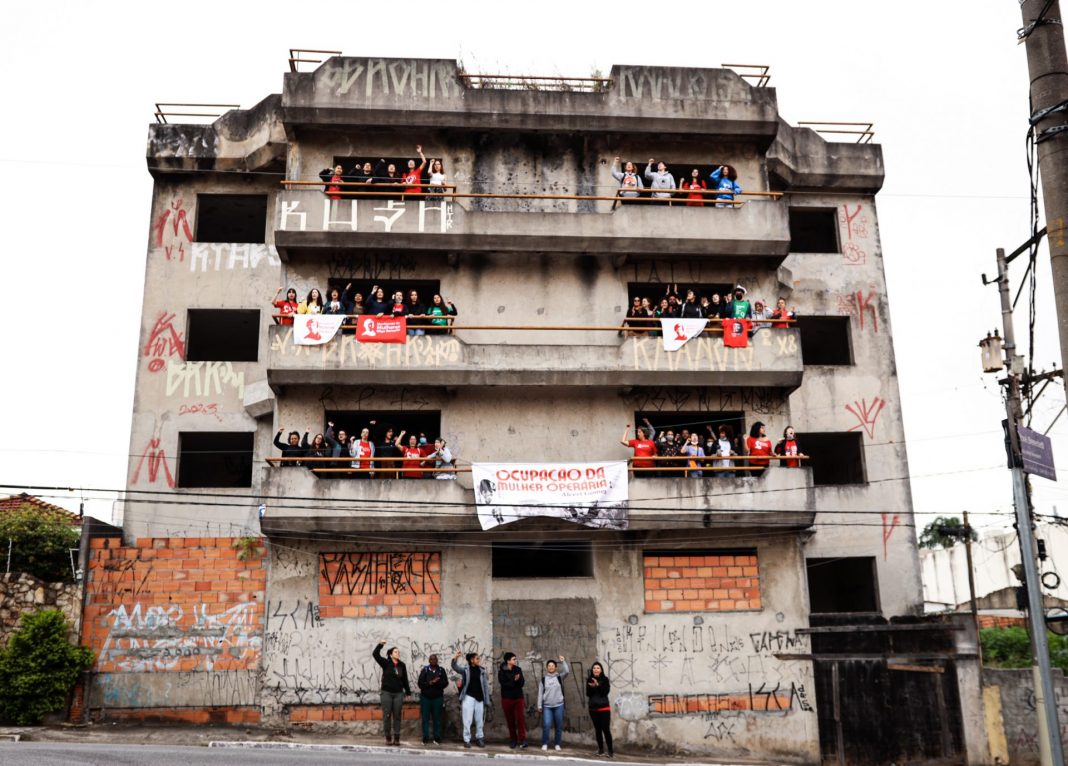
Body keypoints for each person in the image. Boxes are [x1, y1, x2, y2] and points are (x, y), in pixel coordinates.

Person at [372, 640, 411, 746]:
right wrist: (380, 644)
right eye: (395, 652)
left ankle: (397, 737)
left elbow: (405, 679)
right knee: (387, 715)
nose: (398, 653)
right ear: (390, 654)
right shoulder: (386, 663)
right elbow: (375, 654)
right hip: (386, 693)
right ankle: (388, 737)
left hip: (398, 694)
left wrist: (408, 692)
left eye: (398, 652)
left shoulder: (402, 665)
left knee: (397, 715)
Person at [452, 651, 491, 749]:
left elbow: (485, 687)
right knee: (467, 719)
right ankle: (467, 740)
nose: (479, 660)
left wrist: (487, 700)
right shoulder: (466, 670)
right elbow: (455, 667)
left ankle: (480, 738)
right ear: (471, 660)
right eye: (477, 658)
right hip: (468, 697)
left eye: (479, 658)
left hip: (479, 698)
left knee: (479, 720)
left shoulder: (482, 671)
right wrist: (455, 657)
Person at [538, 656, 569, 751]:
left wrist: (563, 661)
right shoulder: (543, 680)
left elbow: (567, 671)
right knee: (546, 725)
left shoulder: (559, 677)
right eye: (549, 666)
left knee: (558, 726)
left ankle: (557, 744)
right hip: (547, 706)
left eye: (552, 666)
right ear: (547, 668)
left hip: (559, 705)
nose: (551, 667)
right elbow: (540, 693)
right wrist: (539, 705)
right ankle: (545, 743)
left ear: (555, 667)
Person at [498, 652, 528, 749]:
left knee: (520, 719)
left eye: (515, 659)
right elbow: (504, 685)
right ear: (508, 661)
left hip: (518, 697)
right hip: (507, 698)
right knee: (510, 720)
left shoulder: (518, 669)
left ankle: (522, 740)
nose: (515, 660)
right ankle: (513, 740)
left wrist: (517, 680)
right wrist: (514, 680)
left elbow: (521, 683)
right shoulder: (502, 671)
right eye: (513, 659)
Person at [417, 653, 447, 745]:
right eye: (431, 659)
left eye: (435, 659)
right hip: (426, 698)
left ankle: (437, 737)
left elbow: (445, 683)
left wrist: (438, 683)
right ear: (429, 661)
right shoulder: (425, 670)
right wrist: (430, 682)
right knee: (425, 718)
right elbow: (420, 684)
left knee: (437, 718)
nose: (433, 661)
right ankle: (425, 737)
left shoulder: (441, 670)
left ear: (437, 660)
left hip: (437, 698)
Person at [586, 662, 613, 758]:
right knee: (598, 730)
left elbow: (605, 692)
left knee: (606, 729)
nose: (596, 669)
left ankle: (610, 751)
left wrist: (597, 685)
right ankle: (600, 750)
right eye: (594, 668)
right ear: (592, 670)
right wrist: (592, 687)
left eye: (598, 668)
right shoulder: (589, 679)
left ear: (601, 670)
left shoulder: (605, 680)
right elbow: (588, 694)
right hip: (593, 709)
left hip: (604, 708)